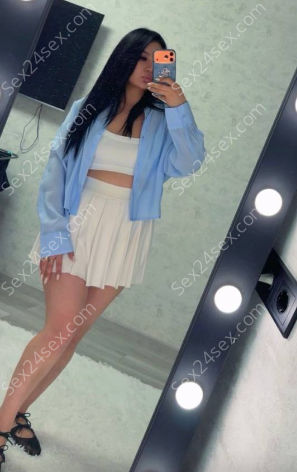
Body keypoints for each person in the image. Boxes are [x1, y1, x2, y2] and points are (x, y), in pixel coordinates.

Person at [0, 28, 206, 467]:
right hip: (76, 223)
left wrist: (178, 106)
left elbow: (189, 162)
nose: (149, 67)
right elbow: (55, 173)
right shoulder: (87, 109)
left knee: (71, 337)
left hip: (126, 232)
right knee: (57, 330)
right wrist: (55, 233)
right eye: (142, 57)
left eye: (158, 59)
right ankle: (0, 425)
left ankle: (16, 414)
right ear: (124, 59)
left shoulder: (163, 120)